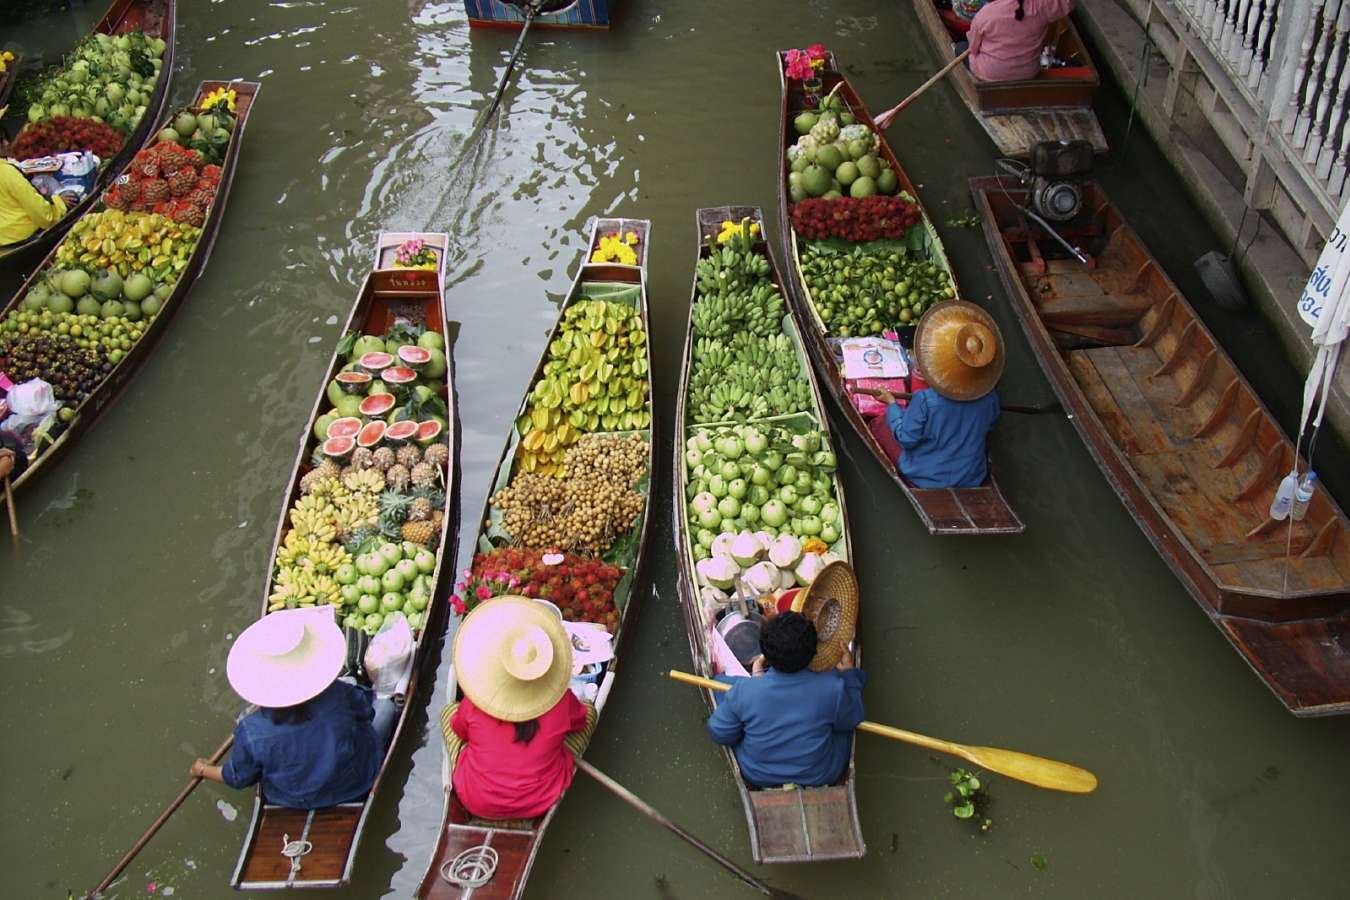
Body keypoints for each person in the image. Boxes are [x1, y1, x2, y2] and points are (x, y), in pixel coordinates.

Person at [189, 606, 397, 809]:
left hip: (294, 800)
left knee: (246, 719)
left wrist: (204, 769)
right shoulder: (338, 693)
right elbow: (367, 712)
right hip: (357, 781)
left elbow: (238, 777)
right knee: (386, 706)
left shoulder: (250, 731)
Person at [441, 595, 597, 820]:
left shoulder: (477, 702)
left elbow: (459, 731)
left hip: (476, 798)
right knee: (589, 711)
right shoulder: (561, 701)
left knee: (448, 713)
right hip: (540, 799)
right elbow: (580, 721)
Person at [707, 611, 865, 789]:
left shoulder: (744, 691)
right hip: (821, 773)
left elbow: (719, 732)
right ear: (814, 652)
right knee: (843, 725)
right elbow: (853, 718)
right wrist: (850, 676)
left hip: (757, 773)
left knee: (719, 684)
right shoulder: (833, 688)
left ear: (764, 652)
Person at [866, 300, 1004, 488]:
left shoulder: (925, 400)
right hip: (972, 475)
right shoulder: (990, 398)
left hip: (926, 478)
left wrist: (891, 404)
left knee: (878, 425)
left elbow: (906, 438)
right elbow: (989, 427)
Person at [968, 0, 1074, 82]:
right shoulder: (1041, 7)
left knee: (960, 47)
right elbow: (1068, 3)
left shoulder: (984, 14)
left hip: (990, 73)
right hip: (1028, 73)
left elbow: (973, 48)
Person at [0, 160, 76, 246]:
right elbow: (42, 214)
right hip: (23, 239)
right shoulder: (8, 172)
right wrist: (59, 203)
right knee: (73, 198)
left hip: (3, 242)